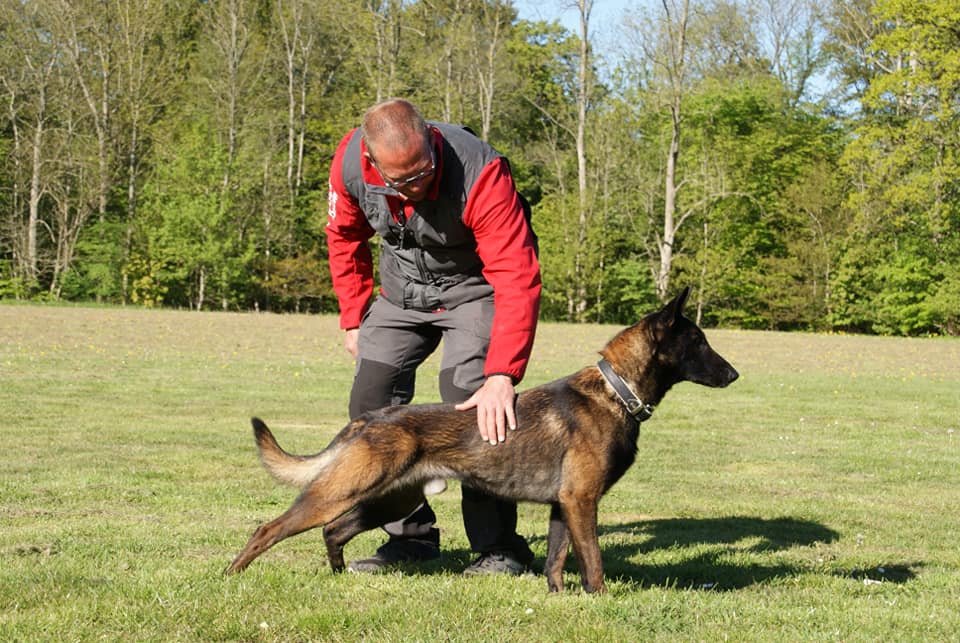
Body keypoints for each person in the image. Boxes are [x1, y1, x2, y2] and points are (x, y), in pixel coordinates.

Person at [325, 98, 541, 575]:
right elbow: (344, 236)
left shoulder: (482, 172)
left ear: (431, 142)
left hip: (473, 290)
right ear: (372, 162)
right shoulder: (349, 164)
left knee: (475, 403)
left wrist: (503, 373)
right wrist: (353, 316)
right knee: (370, 402)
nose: (418, 186)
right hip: (401, 294)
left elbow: (516, 273)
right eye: (403, 181)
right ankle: (410, 538)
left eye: (425, 171)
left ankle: (501, 548)